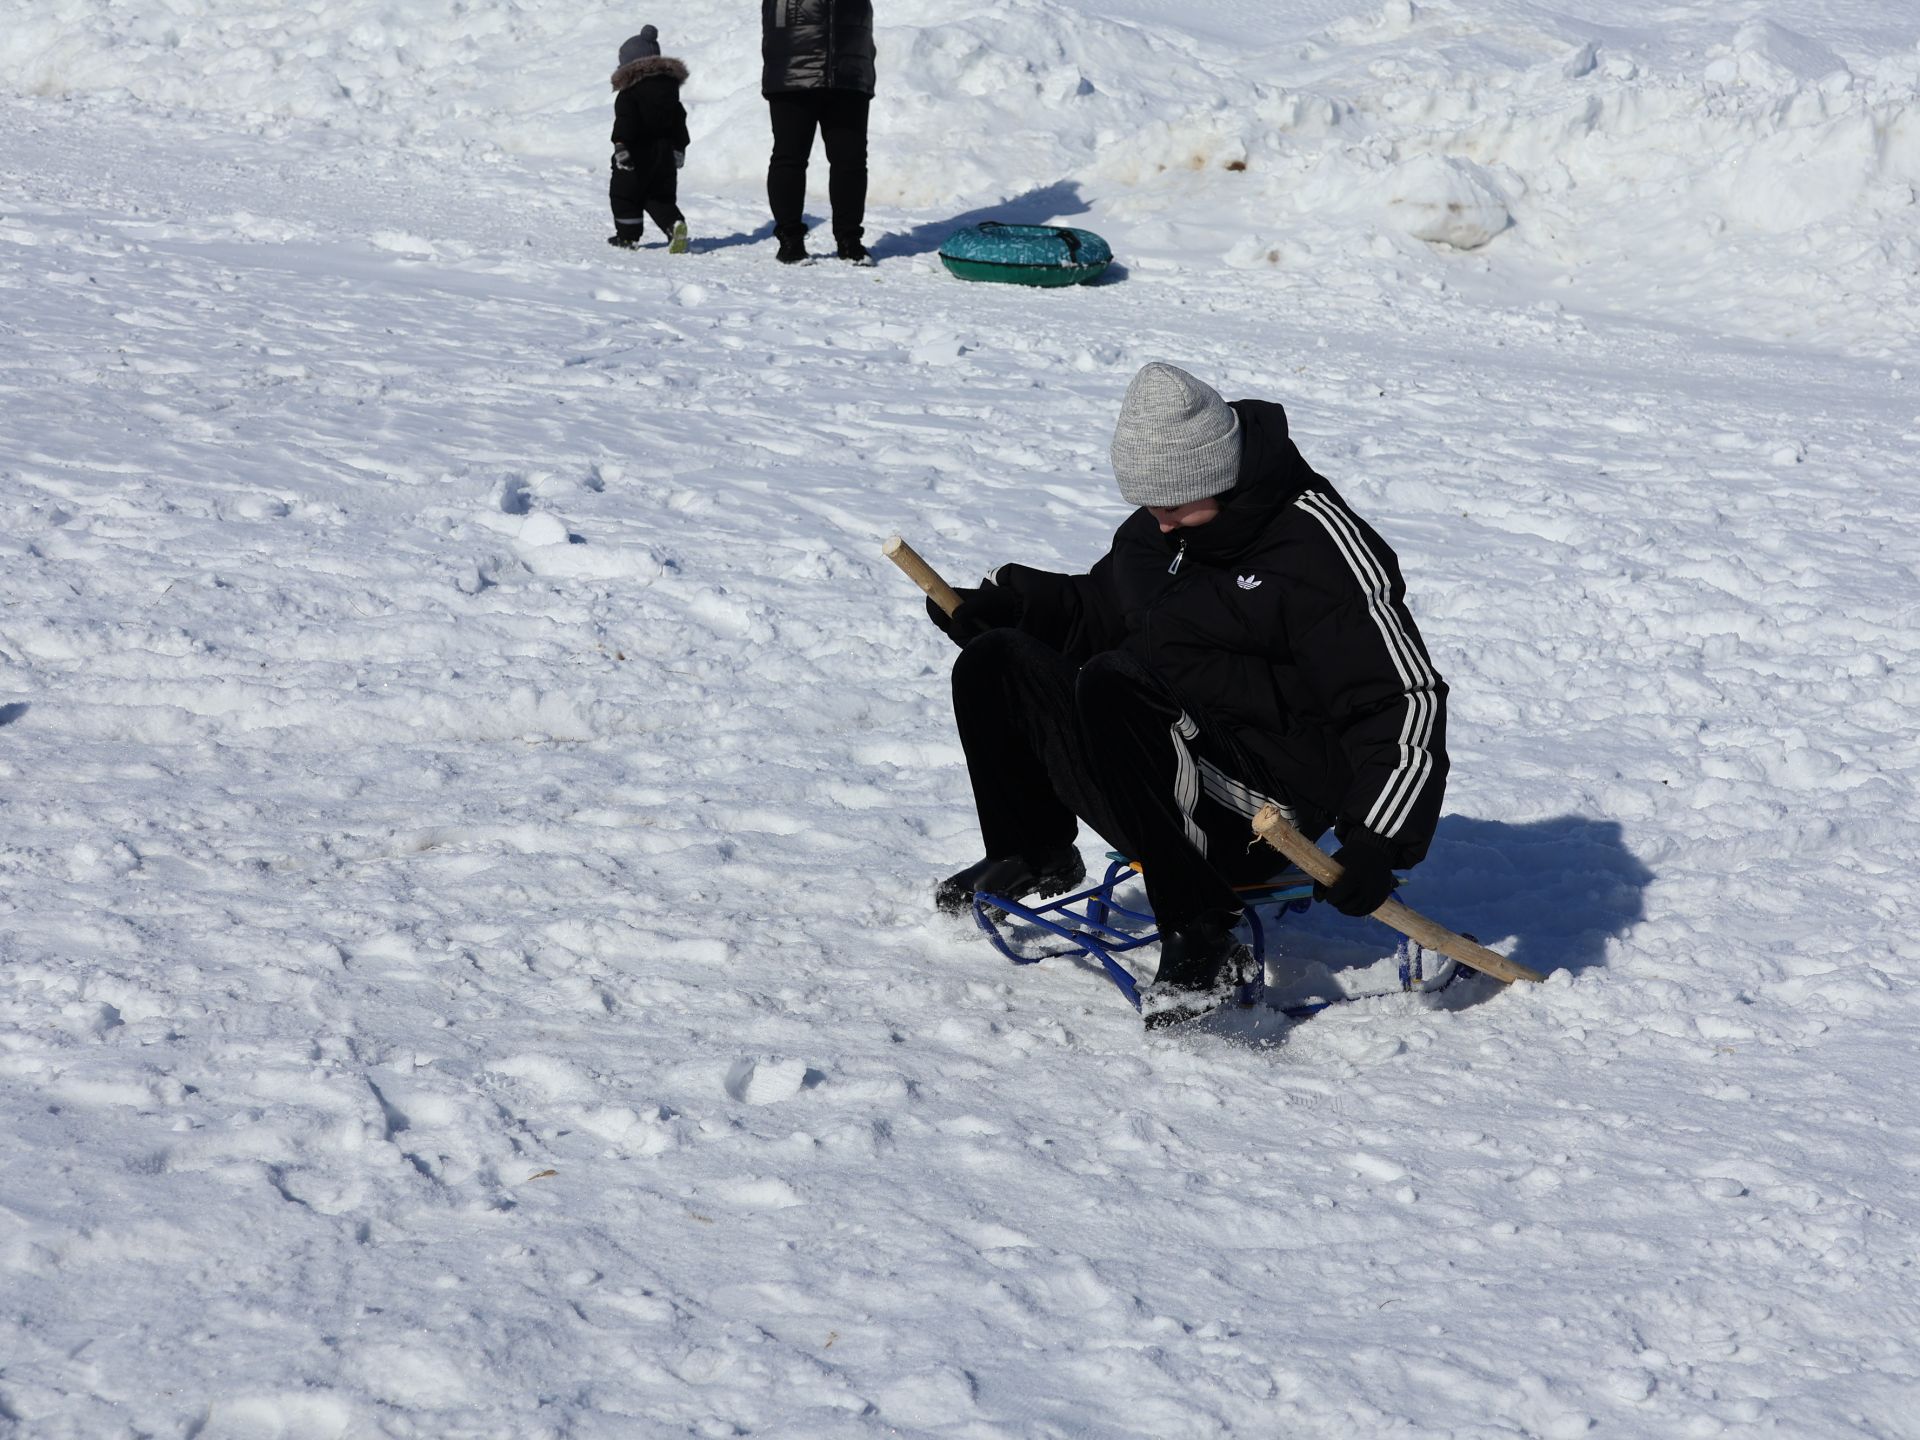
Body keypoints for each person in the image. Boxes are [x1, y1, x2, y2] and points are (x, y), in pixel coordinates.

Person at [926, 363, 1451, 1029]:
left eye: (1172, 507)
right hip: (1160, 770)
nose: (1159, 523)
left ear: (1220, 479)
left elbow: (1402, 698)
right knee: (996, 658)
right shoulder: (1164, 530)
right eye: (1149, 506)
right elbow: (1101, 610)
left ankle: (1203, 933)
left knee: (1118, 684)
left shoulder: (1317, 548)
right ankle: (1030, 851)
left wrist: (1376, 839)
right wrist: (1007, 610)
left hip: (1266, 816)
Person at [761, 0, 876, 265]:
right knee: (790, 156)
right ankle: (790, 239)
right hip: (793, 67)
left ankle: (849, 240)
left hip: (849, 67)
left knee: (851, 161)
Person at [608, 26, 692, 253]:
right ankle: (674, 225)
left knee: (625, 195)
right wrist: (679, 148)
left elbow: (626, 121)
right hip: (665, 155)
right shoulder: (670, 93)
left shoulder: (630, 93)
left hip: (636, 152)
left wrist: (621, 145)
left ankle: (627, 237)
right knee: (659, 197)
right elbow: (679, 121)